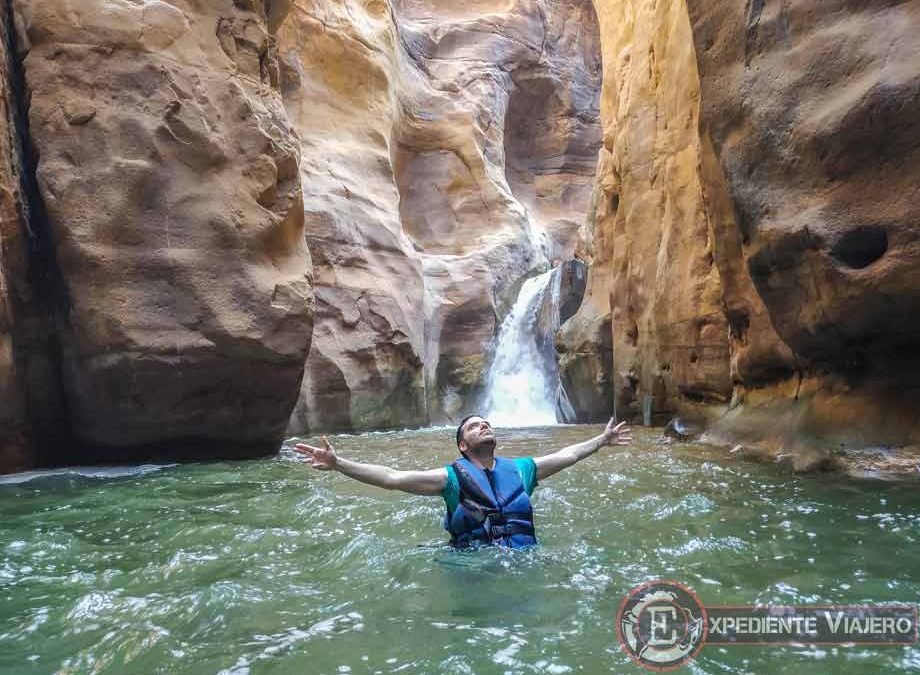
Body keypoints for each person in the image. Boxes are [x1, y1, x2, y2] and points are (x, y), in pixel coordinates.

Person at [294, 414, 632, 549]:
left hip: (527, 563)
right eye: (474, 426)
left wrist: (601, 441)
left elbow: (568, 455)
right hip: (472, 569)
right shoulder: (450, 479)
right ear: (462, 445)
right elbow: (392, 478)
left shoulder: (522, 470)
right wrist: (339, 464)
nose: (484, 426)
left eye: (486, 423)